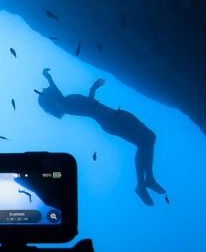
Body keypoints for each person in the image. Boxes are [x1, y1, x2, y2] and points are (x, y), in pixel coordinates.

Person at [37, 68, 166, 205]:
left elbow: (89, 105)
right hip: (113, 119)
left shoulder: (68, 103)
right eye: (45, 91)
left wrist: (92, 90)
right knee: (146, 140)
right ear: (51, 98)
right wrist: (49, 78)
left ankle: (147, 180)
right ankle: (143, 182)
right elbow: (64, 97)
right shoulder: (65, 104)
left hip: (113, 118)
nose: (45, 88)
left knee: (147, 140)